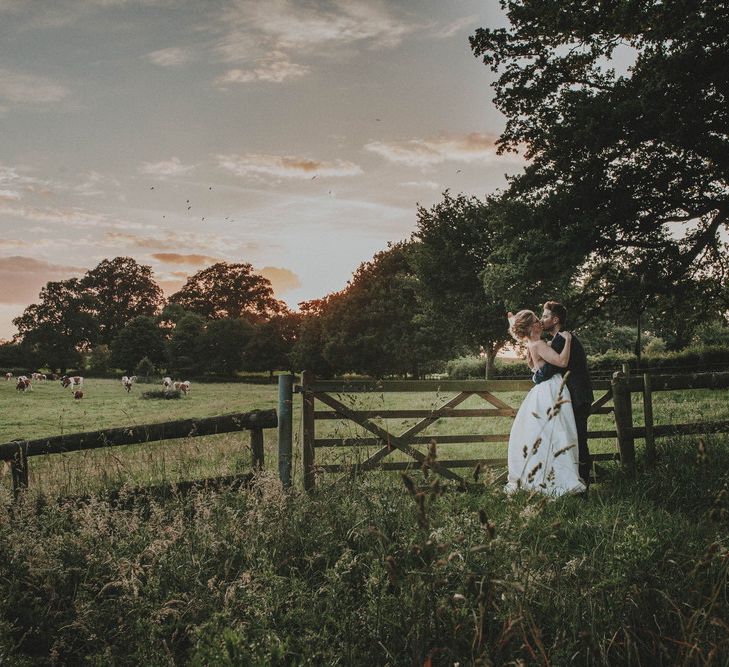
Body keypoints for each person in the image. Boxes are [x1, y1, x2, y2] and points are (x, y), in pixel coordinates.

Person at [504, 310, 586, 496]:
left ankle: (546, 475)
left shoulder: (533, 344)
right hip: (552, 389)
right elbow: (562, 361)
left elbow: (540, 367)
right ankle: (560, 479)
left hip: (543, 391)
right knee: (558, 432)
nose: (540, 321)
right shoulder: (538, 344)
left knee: (551, 433)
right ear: (532, 327)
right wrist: (568, 341)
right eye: (536, 320)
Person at [540, 301, 594, 490]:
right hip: (577, 395)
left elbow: (547, 371)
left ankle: (583, 484)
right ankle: (577, 482)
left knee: (579, 440)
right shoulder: (559, 339)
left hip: (578, 397)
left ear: (555, 320)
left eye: (545, 316)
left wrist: (535, 373)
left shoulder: (562, 339)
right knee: (575, 438)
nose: (542, 319)